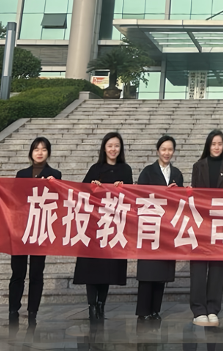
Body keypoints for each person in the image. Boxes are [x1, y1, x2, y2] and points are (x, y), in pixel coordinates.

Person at [73, 132, 132, 321]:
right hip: (93, 228)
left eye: (116, 146)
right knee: (91, 268)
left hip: (113, 227)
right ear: (104, 148)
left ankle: (101, 304)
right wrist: (92, 186)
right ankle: (91, 305)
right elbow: (80, 193)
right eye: (110, 146)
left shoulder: (126, 170)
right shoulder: (95, 168)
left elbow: (132, 197)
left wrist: (124, 188)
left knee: (108, 269)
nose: (113, 149)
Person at [10, 137, 62, 324]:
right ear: (31, 152)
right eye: (36, 149)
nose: (40, 153)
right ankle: (13, 309)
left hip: (41, 229)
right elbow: (14, 200)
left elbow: (59, 202)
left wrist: (54, 185)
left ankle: (33, 312)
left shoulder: (55, 174)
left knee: (36, 273)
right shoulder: (21, 174)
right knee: (18, 272)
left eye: (44, 149)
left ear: (49, 152)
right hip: (21, 229)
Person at [190, 129, 223, 327]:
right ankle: (198, 309)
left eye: (220, 144)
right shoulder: (198, 166)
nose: (217, 147)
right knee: (199, 267)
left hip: (220, 222)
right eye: (213, 143)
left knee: (218, 267)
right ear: (208, 145)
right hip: (201, 221)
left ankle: (213, 309)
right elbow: (194, 193)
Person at [135, 135, 184, 321]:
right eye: (163, 149)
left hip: (167, 229)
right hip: (149, 227)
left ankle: (155, 309)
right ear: (157, 151)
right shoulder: (148, 172)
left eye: (170, 149)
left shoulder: (177, 174)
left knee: (161, 272)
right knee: (148, 271)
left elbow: (180, 201)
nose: (166, 153)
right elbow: (139, 196)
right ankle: (143, 311)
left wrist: (177, 191)